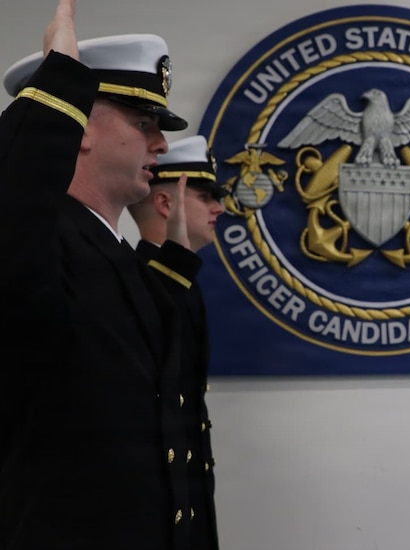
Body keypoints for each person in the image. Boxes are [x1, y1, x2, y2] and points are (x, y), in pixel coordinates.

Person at [0, 2, 207, 548]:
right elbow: (14, 210)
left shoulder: (110, 251)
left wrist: (175, 258)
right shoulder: (45, 240)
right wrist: (56, 88)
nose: (160, 145)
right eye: (144, 124)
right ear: (81, 128)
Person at [127, 135, 228, 550]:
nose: (219, 208)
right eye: (205, 196)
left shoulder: (182, 285)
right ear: (166, 204)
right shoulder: (137, 284)